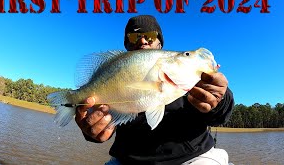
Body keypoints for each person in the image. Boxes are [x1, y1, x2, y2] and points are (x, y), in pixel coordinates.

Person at [75, 15, 234, 165]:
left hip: (194, 157)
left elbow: (220, 116)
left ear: (160, 43)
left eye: (150, 36)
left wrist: (220, 99)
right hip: (127, 160)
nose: (143, 40)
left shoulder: (191, 75)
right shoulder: (115, 73)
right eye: (134, 37)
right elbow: (101, 123)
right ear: (127, 45)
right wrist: (91, 130)